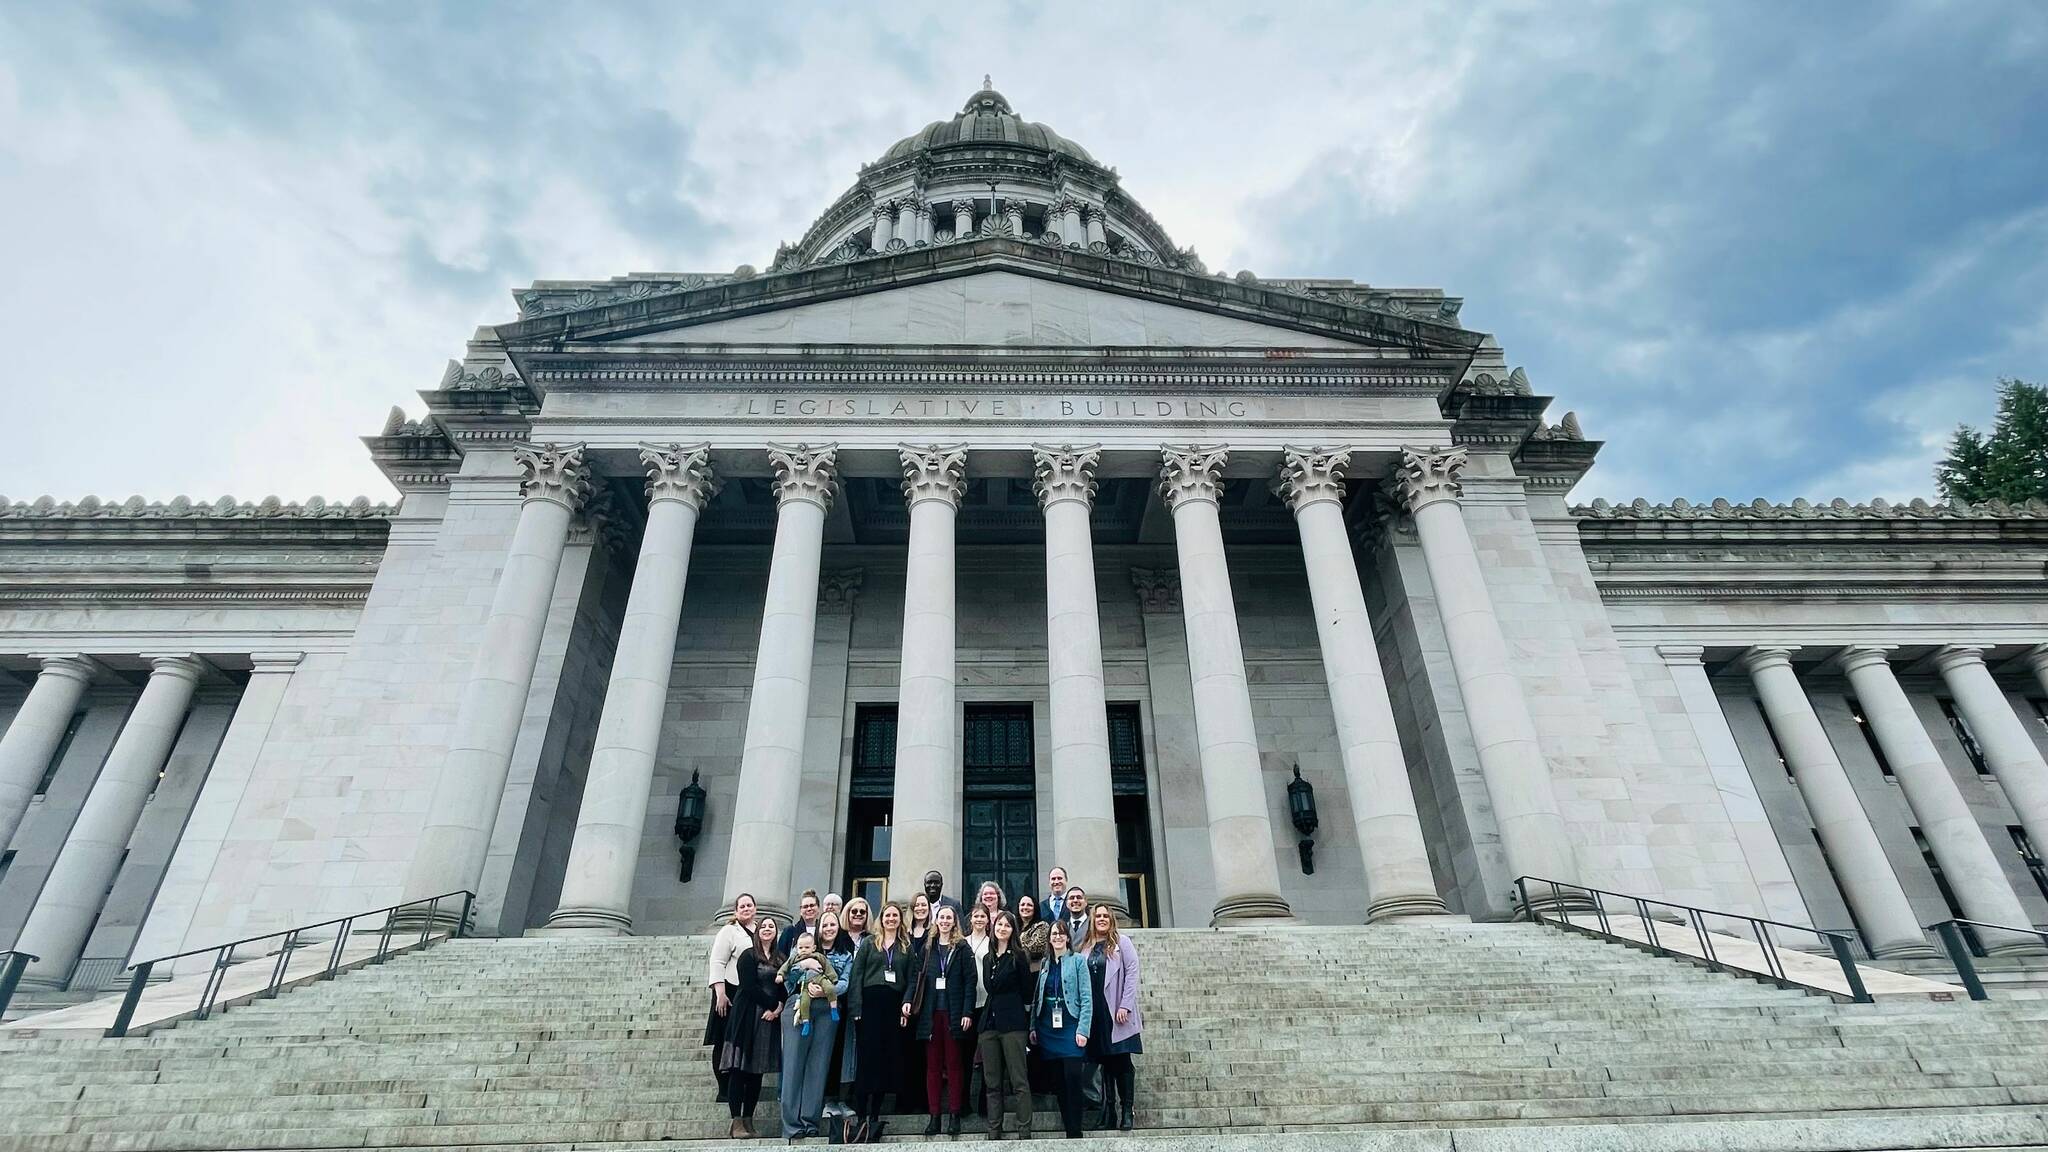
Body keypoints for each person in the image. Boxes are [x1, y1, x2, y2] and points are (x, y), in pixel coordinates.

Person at [780, 911, 852, 1138]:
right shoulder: (803, 947)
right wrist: (804, 968)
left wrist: (824, 991)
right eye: (825, 925)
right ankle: (792, 1125)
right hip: (798, 1008)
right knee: (793, 1065)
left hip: (827, 1011)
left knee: (818, 1068)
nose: (829, 928)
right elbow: (787, 977)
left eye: (833, 924)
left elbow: (844, 983)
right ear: (819, 928)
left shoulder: (845, 955)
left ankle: (810, 1122)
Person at [847, 902, 915, 1143]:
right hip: (869, 1006)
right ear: (882, 918)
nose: (891, 919)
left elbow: (912, 980)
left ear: (900, 920)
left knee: (886, 1058)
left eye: (895, 915)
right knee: (868, 1058)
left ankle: (875, 1113)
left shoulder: (906, 947)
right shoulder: (868, 943)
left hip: (893, 1006)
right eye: (888, 915)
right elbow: (856, 976)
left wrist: (906, 1004)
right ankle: (861, 1112)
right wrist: (856, 1008)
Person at [907, 903, 976, 1136]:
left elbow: (970, 983)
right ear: (936, 921)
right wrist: (908, 1001)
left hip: (954, 1014)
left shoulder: (963, 948)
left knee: (955, 1065)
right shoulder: (928, 948)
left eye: (949, 917)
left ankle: (954, 1114)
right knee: (933, 1068)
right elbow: (916, 979)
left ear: (955, 921)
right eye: (942, 917)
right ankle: (934, 1115)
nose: (945, 921)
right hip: (930, 1014)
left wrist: (967, 1012)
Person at [719, 916, 783, 1139]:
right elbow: (748, 986)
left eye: (771, 927)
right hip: (747, 1016)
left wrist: (779, 1007)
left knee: (757, 1072)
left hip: (767, 1020)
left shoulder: (779, 958)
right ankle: (736, 1121)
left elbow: (784, 986)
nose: (767, 930)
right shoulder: (748, 955)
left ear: (776, 932)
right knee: (740, 1069)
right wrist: (773, 1004)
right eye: (763, 926)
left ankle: (749, 1119)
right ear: (757, 932)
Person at [1030, 920, 1093, 1139]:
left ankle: (1076, 1130)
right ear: (1049, 939)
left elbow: (1086, 998)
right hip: (1048, 1028)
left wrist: (1083, 1029)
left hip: (1071, 1027)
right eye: (1054, 934)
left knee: (1073, 1077)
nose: (1057, 937)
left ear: (1067, 938)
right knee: (1058, 1082)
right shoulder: (1046, 963)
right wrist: (1032, 1027)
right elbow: (1037, 997)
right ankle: (1069, 1127)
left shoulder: (1078, 962)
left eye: (1061, 934)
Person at [1082, 904, 1142, 1131]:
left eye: (1106, 915)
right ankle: (1109, 1111)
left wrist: (1125, 1005)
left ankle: (1127, 1110)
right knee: (1105, 1063)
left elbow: (1132, 972)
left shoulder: (1121, 942)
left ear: (1111, 919)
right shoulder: (1086, 947)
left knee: (1122, 1062)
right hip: (1096, 1013)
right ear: (1092, 920)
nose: (1102, 919)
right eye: (1098, 916)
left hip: (1117, 1011)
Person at [978, 910, 1032, 1139]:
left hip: (1012, 1023)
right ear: (994, 928)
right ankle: (994, 1129)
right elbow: (989, 988)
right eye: (999, 924)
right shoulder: (988, 957)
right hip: (989, 1024)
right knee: (992, 1083)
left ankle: (1024, 1130)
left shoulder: (1019, 956)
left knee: (1019, 1080)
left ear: (1013, 930)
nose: (1002, 928)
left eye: (1007, 925)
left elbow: (1027, 991)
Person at [705, 893, 758, 1104]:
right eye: (742, 906)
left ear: (755, 909)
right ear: (736, 911)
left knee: (742, 1040)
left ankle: (742, 1084)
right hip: (728, 991)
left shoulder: (760, 931)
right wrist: (720, 993)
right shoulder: (729, 931)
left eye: (749, 905)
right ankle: (724, 1088)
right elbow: (717, 961)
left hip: (749, 993)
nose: (746, 908)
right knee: (723, 1039)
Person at [899, 891, 934, 1115]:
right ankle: (904, 1099)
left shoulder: (933, 933)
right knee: (905, 1050)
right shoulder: (905, 934)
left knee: (924, 1051)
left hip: (927, 997)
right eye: (917, 905)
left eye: (924, 905)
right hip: (905, 994)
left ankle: (923, 1100)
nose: (920, 908)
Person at [779, 934, 839, 1037]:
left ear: (813, 948)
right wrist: (780, 974)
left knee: (830, 988)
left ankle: (834, 1009)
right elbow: (786, 967)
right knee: (804, 1002)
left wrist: (833, 978)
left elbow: (827, 966)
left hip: (820, 978)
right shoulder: (795, 959)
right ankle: (806, 1022)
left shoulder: (818, 956)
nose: (803, 950)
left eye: (807, 947)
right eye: (800, 948)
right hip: (805, 983)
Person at [779, 889, 822, 955]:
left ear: (818, 908)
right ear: (800, 911)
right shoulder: (789, 931)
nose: (809, 909)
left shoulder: (823, 931)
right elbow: (780, 956)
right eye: (805, 907)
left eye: (812, 905)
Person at [1014, 896, 1049, 970]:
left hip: (1034, 970)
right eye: (1022, 904)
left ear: (1035, 908)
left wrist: (1014, 948)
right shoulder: (1013, 926)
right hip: (1015, 970)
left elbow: (1035, 949)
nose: (1025, 907)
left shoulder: (1042, 926)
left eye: (1029, 905)